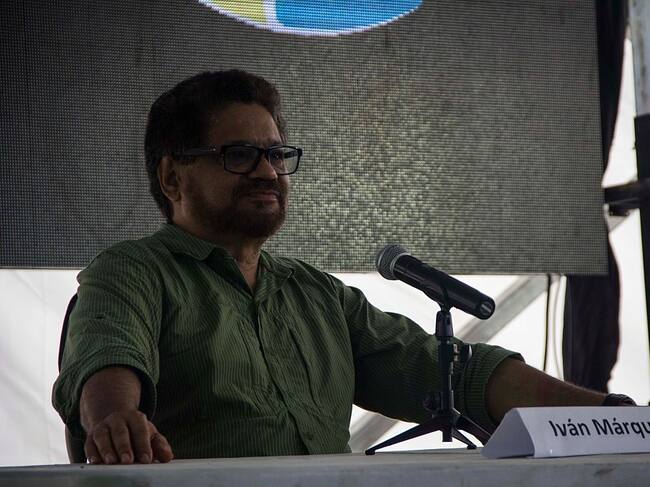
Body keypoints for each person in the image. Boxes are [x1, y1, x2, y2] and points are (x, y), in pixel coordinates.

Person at [52, 69, 629, 465]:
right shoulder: (132, 271)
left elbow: (460, 375)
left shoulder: (318, 295)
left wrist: (615, 416)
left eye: (276, 154)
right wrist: (115, 418)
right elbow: (109, 355)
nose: (267, 172)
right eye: (239, 155)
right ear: (172, 177)